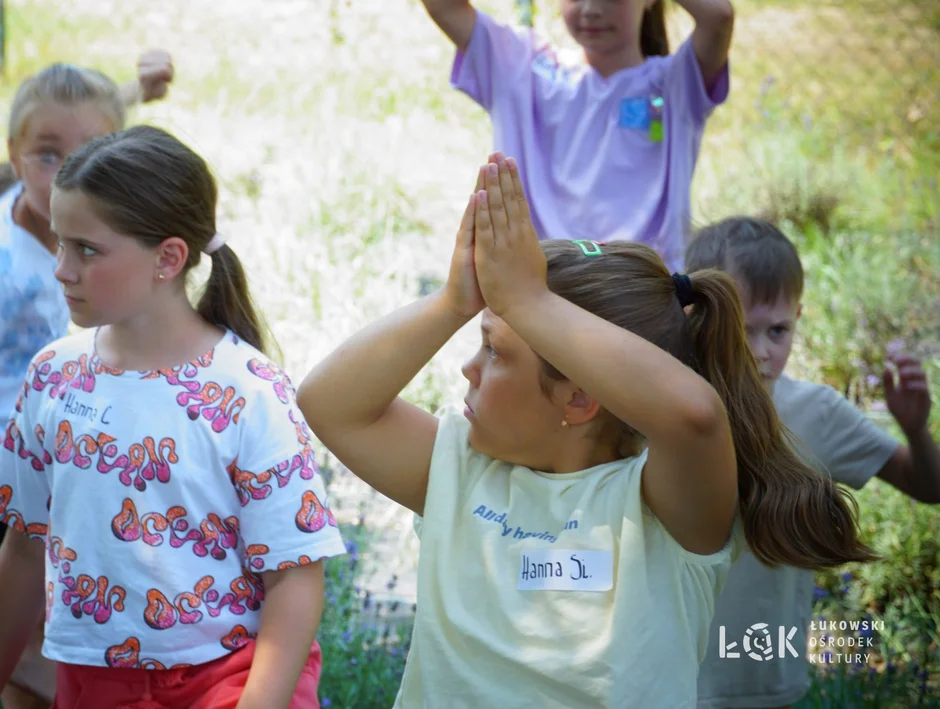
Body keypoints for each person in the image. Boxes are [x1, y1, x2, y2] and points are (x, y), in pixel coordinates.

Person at [295, 153, 875, 707]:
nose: (468, 368)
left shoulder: (660, 512)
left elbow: (694, 416)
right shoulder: (460, 469)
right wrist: (453, 302)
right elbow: (328, 403)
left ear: (578, 397)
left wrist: (527, 301)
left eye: (494, 352)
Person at [0, 125, 346, 709]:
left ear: (167, 258)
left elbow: (296, 576)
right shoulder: (54, 377)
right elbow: (21, 552)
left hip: (236, 679)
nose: (62, 269)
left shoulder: (249, 392)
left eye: (86, 249)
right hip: (95, 680)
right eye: (59, 242)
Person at [0, 53, 174, 707]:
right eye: (48, 157)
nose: (69, 174)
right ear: (15, 156)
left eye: (94, 153)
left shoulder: (59, 203)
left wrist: (138, 90)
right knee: (40, 650)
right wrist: (52, 479)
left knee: (50, 635)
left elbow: (75, 140)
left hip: (10, 462)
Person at [686, 216, 940, 709]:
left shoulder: (817, 412)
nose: (760, 352)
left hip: (764, 676)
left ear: (798, 317)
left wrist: (915, 428)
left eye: (778, 330)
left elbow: (926, 486)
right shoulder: (664, 403)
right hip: (668, 671)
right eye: (742, 329)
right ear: (699, 314)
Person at [419, 0, 733, 270]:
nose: (591, 9)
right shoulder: (523, 69)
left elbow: (718, 16)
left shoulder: (673, 85)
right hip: (540, 283)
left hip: (644, 292)